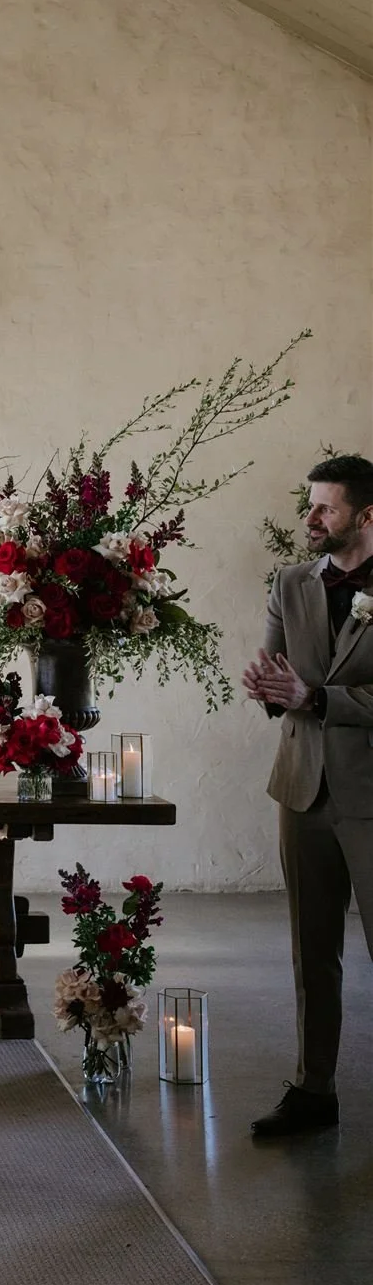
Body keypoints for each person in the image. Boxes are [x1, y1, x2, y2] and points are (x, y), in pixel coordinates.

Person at [243, 454, 373, 1138]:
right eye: (310, 505)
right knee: (311, 949)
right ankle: (313, 1089)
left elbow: (317, 693)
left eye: (325, 507)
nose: (311, 518)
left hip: (371, 793)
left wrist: (315, 697)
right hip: (302, 790)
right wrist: (269, 688)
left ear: (366, 515)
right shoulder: (290, 582)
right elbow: (279, 677)